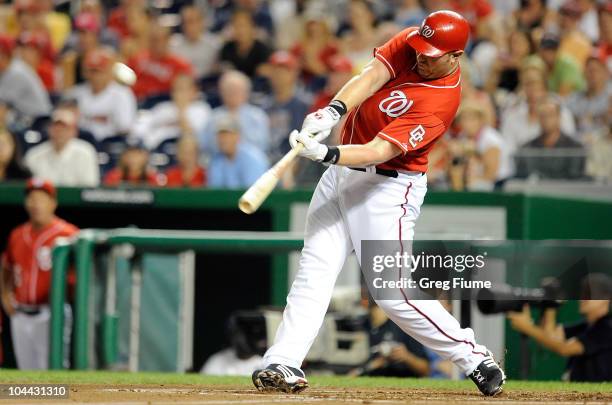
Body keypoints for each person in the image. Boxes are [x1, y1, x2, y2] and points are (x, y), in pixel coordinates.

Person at [252, 11, 505, 397]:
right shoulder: (413, 42)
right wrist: (333, 110)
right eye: (422, 47)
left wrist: (327, 153)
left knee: (391, 291)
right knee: (314, 270)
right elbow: (370, 77)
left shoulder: (441, 101)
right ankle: (283, 360)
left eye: (433, 53)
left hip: (387, 188)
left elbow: (378, 150)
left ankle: (473, 357)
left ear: (456, 55)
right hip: (341, 175)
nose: (422, 55)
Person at [0, 178, 78, 369]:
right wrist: (4, 295)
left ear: (53, 203)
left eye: (42, 199)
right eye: (32, 198)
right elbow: (6, 267)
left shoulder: (69, 234)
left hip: (52, 312)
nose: (36, 204)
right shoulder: (17, 234)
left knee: (52, 372)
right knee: (27, 374)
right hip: (20, 312)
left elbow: (79, 277)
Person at [508, 273, 612, 382]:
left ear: (606, 299)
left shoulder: (607, 327)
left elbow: (564, 348)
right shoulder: (587, 325)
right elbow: (552, 336)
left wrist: (527, 328)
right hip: (581, 394)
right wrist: (551, 307)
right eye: (583, 294)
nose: (583, 299)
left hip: (598, 397)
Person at [69, 47, 137, 142]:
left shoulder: (122, 94)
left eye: (98, 71)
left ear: (108, 71)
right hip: (82, 141)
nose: (94, 76)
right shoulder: (76, 93)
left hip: (110, 143)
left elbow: (125, 127)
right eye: (91, 70)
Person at [350, 302, 430, 378]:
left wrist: (407, 357)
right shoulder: (360, 325)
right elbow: (350, 372)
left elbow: (425, 370)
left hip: (401, 382)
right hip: (367, 382)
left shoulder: (404, 327)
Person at [24, 108, 100, 187]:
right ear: (49, 129)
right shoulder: (34, 155)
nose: (59, 131)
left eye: (64, 128)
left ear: (74, 131)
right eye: (55, 127)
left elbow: (89, 188)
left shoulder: (85, 152)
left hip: (73, 199)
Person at [132, 74, 211, 150]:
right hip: (151, 147)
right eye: (175, 89)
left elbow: (191, 135)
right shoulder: (163, 107)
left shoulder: (200, 109)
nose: (177, 93)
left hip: (177, 149)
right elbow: (143, 127)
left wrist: (181, 109)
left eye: (182, 89)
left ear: (194, 91)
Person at [200, 70, 270, 155]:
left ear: (246, 92)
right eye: (228, 89)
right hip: (220, 162)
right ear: (221, 92)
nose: (232, 93)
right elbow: (205, 145)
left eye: (236, 90)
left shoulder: (257, 115)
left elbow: (263, 145)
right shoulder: (214, 116)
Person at [515, 97, 585, 179]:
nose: (546, 119)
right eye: (542, 115)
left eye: (550, 115)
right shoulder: (526, 149)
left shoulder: (575, 149)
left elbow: (576, 181)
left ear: (559, 117)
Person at [448, 102, 513, 190]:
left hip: (499, 184)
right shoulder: (462, 137)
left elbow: (491, 174)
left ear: (480, 120)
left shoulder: (491, 140)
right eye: (463, 119)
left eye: (472, 119)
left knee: (473, 184)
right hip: (473, 179)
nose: (467, 123)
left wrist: (473, 154)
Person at [262, 51, 309, 163]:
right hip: (266, 160)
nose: (279, 75)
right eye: (275, 70)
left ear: (294, 73)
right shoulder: (263, 106)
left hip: (295, 162)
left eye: (284, 71)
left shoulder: (303, 105)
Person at [128, 21, 193, 102]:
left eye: (161, 39)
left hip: (165, 104)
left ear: (168, 40)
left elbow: (186, 91)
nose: (157, 44)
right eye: (154, 40)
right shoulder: (137, 59)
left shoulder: (181, 65)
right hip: (138, 101)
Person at [0, 34, 51, 125]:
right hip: (25, 117)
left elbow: (2, 106)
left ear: (5, 54)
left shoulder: (16, 72)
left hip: (38, 122)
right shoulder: (9, 68)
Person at [207, 117, 268, 189]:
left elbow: (252, 192)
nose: (222, 140)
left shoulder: (253, 158)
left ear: (237, 136)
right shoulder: (216, 159)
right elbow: (214, 190)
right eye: (219, 136)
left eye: (226, 135)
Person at [218, 9, 272, 79]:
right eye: (236, 26)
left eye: (243, 25)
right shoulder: (226, 49)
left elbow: (264, 76)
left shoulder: (262, 50)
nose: (240, 30)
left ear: (252, 27)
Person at [170, 6, 220, 80]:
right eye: (185, 22)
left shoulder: (214, 44)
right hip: (183, 85)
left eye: (192, 21)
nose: (189, 26)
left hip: (207, 83)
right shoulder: (173, 45)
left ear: (201, 22)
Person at [567, 56, 611, 138]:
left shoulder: (610, 96)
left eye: (596, 70)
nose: (593, 74)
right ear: (583, 74)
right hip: (580, 143)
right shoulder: (575, 98)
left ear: (605, 72)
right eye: (589, 71)